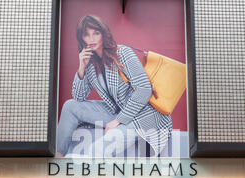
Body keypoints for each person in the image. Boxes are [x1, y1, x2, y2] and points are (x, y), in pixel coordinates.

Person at [56, 14, 172, 158]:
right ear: (82, 38)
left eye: (96, 33)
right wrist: (82, 68)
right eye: (86, 34)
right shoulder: (90, 63)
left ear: (103, 34)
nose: (91, 39)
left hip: (143, 115)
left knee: (97, 150)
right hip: (117, 110)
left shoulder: (122, 53)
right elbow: (79, 97)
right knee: (70, 106)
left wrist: (117, 121)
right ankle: (58, 157)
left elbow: (144, 90)